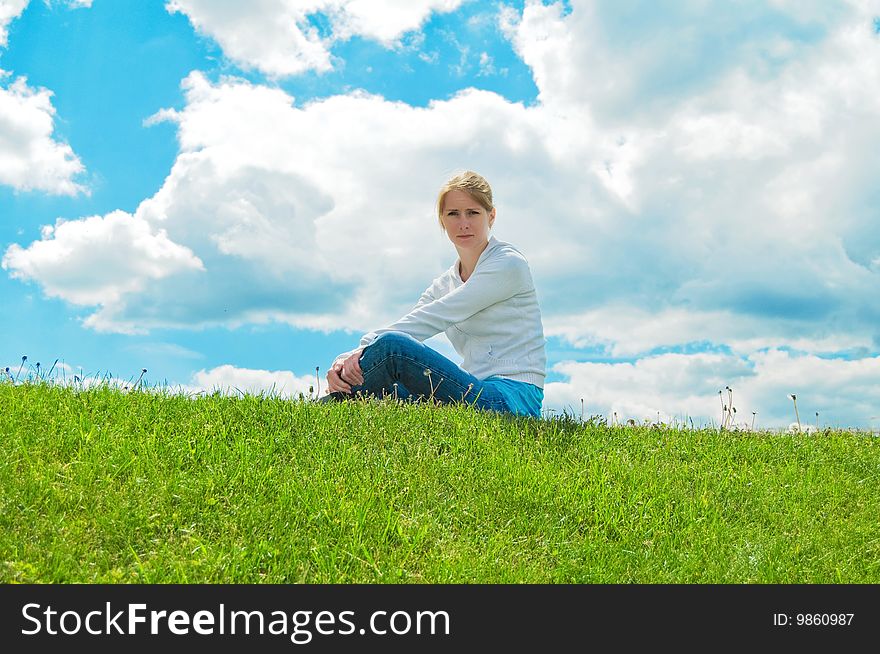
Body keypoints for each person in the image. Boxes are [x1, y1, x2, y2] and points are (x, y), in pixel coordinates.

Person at [322, 171, 546, 418]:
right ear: (442, 220)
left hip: (510, 400)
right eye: (453, 214)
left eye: (473, 213)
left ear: (491, 216)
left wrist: (362, 350)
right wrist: (345, 359)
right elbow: (413, 323)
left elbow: (432, 318)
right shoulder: (445, 283)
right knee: (388, 391)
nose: (463, 223)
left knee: (393, 348)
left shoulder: (508, 264)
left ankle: (324, 408)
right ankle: (331, 406)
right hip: (472, 388)